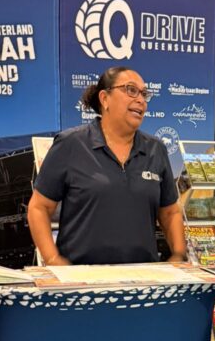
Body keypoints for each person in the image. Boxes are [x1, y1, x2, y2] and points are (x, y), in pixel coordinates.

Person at [27, 67, 187, 265]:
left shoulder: (156, 150)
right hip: (82, 282)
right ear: (104, 99)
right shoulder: (70, 144)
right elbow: (38, 207)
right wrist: (53, 259)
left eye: (144, 94)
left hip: (143, 280)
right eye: (131, 90)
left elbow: (170, 213)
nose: (140, 100)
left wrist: (179, 256)